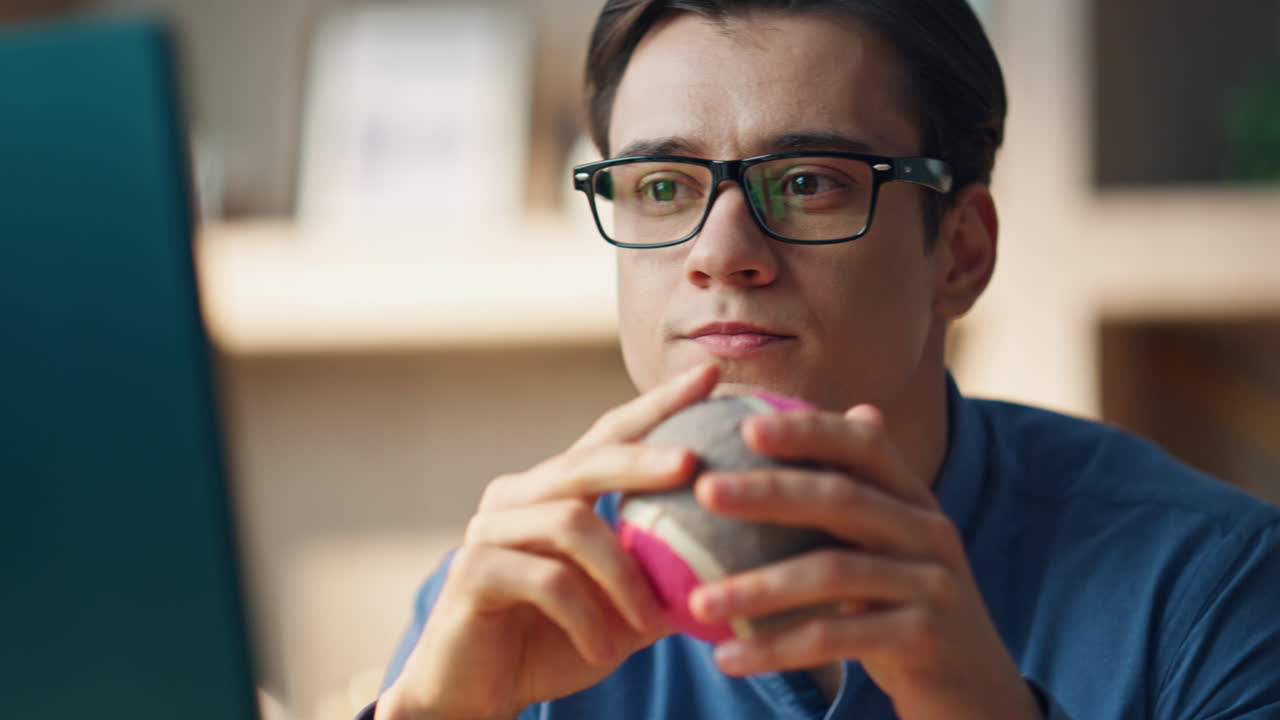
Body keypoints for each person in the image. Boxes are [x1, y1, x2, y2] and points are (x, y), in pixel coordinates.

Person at [359, 1, 1280, 718]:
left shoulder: (1213, 595)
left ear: (960, 252)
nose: (719, 252)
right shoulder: (510, 604)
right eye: (662, 187)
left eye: (807, 183)